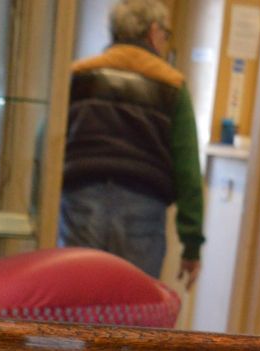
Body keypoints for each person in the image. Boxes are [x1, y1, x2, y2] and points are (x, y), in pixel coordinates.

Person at [59, 1, 205, 288]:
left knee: (74, 304)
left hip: (81, 198)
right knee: (131, 312)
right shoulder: (172, 85)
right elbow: (188, 170)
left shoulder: (79, 74)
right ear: (153, 31)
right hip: (143, 208)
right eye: (165, 34)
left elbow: (48, 138)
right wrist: (191, 245)